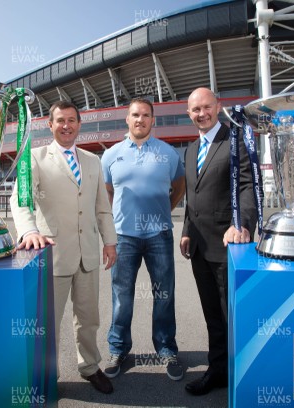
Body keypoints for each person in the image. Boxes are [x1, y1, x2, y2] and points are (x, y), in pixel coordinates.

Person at [10, 101, 117, 395]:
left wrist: (110, 241)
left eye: (71, 120)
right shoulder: (34, 158)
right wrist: (29, 230)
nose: (66, 126)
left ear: (79, 124)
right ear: (50, 124)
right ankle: (47, 376)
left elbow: (102, 208)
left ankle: (90, 367)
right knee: (47, 324)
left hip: (89, 255)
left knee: (89, 319)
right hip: (52, 255)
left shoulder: (93, 160)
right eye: (60, 121)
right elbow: (21, 199)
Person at [100, 97, 186, 381]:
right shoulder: (111, 155)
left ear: (153, 120)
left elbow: (179, 186)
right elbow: (108, 193)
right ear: (127, 119)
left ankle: (165, 349)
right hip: (124, 236)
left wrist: (165, 209)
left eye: (146, 115)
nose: (140, 120)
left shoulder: (168, 154)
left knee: (164, 295)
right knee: (122, 297)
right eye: (135, 115)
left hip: (159, 233)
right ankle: (118, 349)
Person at [180, 87, 257, 396]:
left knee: (232, 315)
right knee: (213, 315)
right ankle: (218, 371)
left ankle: (243, 373)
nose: (202, 113)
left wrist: (241, 224)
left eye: (206, 107)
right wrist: (186, 229)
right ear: (189, 114)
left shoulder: (235, 140)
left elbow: (248, 185)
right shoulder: (188, 150)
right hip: (199, 246)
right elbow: (191, 196)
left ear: (218, 106)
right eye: (195, 110)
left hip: (228, 246)